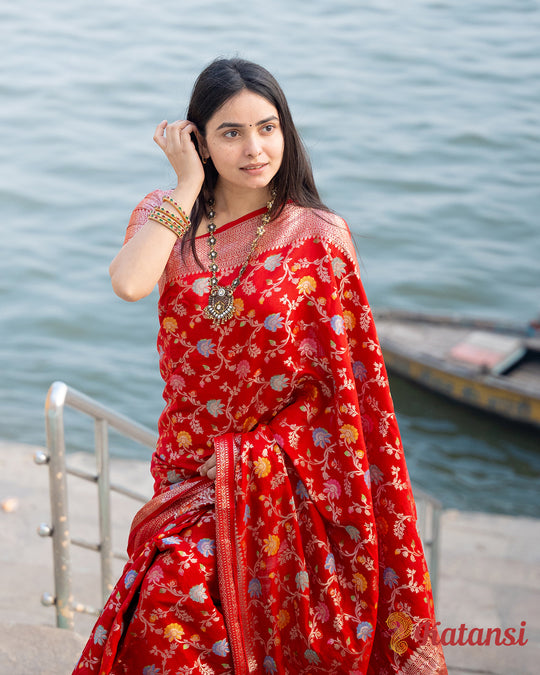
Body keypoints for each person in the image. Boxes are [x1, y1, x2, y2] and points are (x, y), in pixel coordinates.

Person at [74, 58, 447, 674]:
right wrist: (186, 186)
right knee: (166, 614)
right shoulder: (167, 215)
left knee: (188, 611)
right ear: (198, 140)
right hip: (190, 472)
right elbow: (130, 282)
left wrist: (269, 462)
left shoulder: (318, 235)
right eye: (231, 132)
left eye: (268, 128)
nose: (255, 148)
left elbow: (350, 388)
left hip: (290, 482)